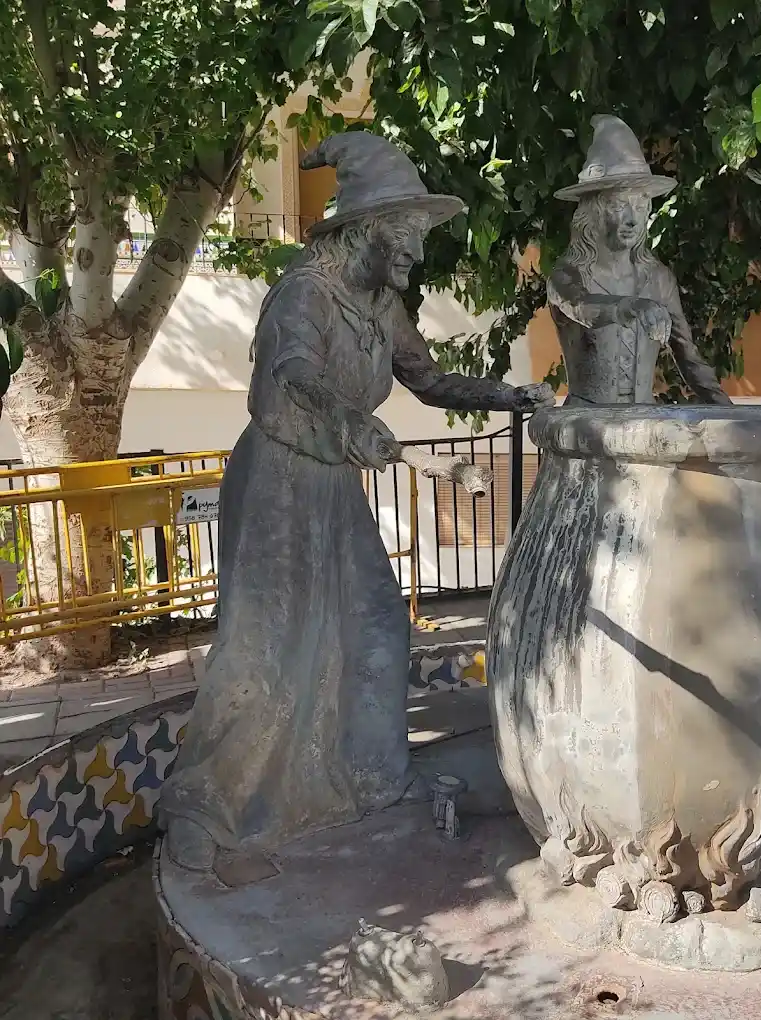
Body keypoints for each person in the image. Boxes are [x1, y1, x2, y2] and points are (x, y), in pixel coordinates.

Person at [160, 133, 553, 871]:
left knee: (376, 626)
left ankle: (371, 780)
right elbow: (295, 371)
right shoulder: (305, 292)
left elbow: (429, 380)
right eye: (405, 237)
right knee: (266, 647)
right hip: (280, 481)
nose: (413, 253)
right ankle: (206, 806)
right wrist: (345, 419)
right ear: (367, 228)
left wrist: (511, 396)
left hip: (334, 486)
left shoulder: (383, 302)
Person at [548, 115, 732, 406]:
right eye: (620, 205)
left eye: (641, 205)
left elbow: (689, 359)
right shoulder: (568, 275)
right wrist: (629, 306)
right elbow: (581, 307)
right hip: (586, 427)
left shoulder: (658, 279)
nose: (633, 219)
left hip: (644, 426)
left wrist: (734, 418)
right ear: (593, 213)